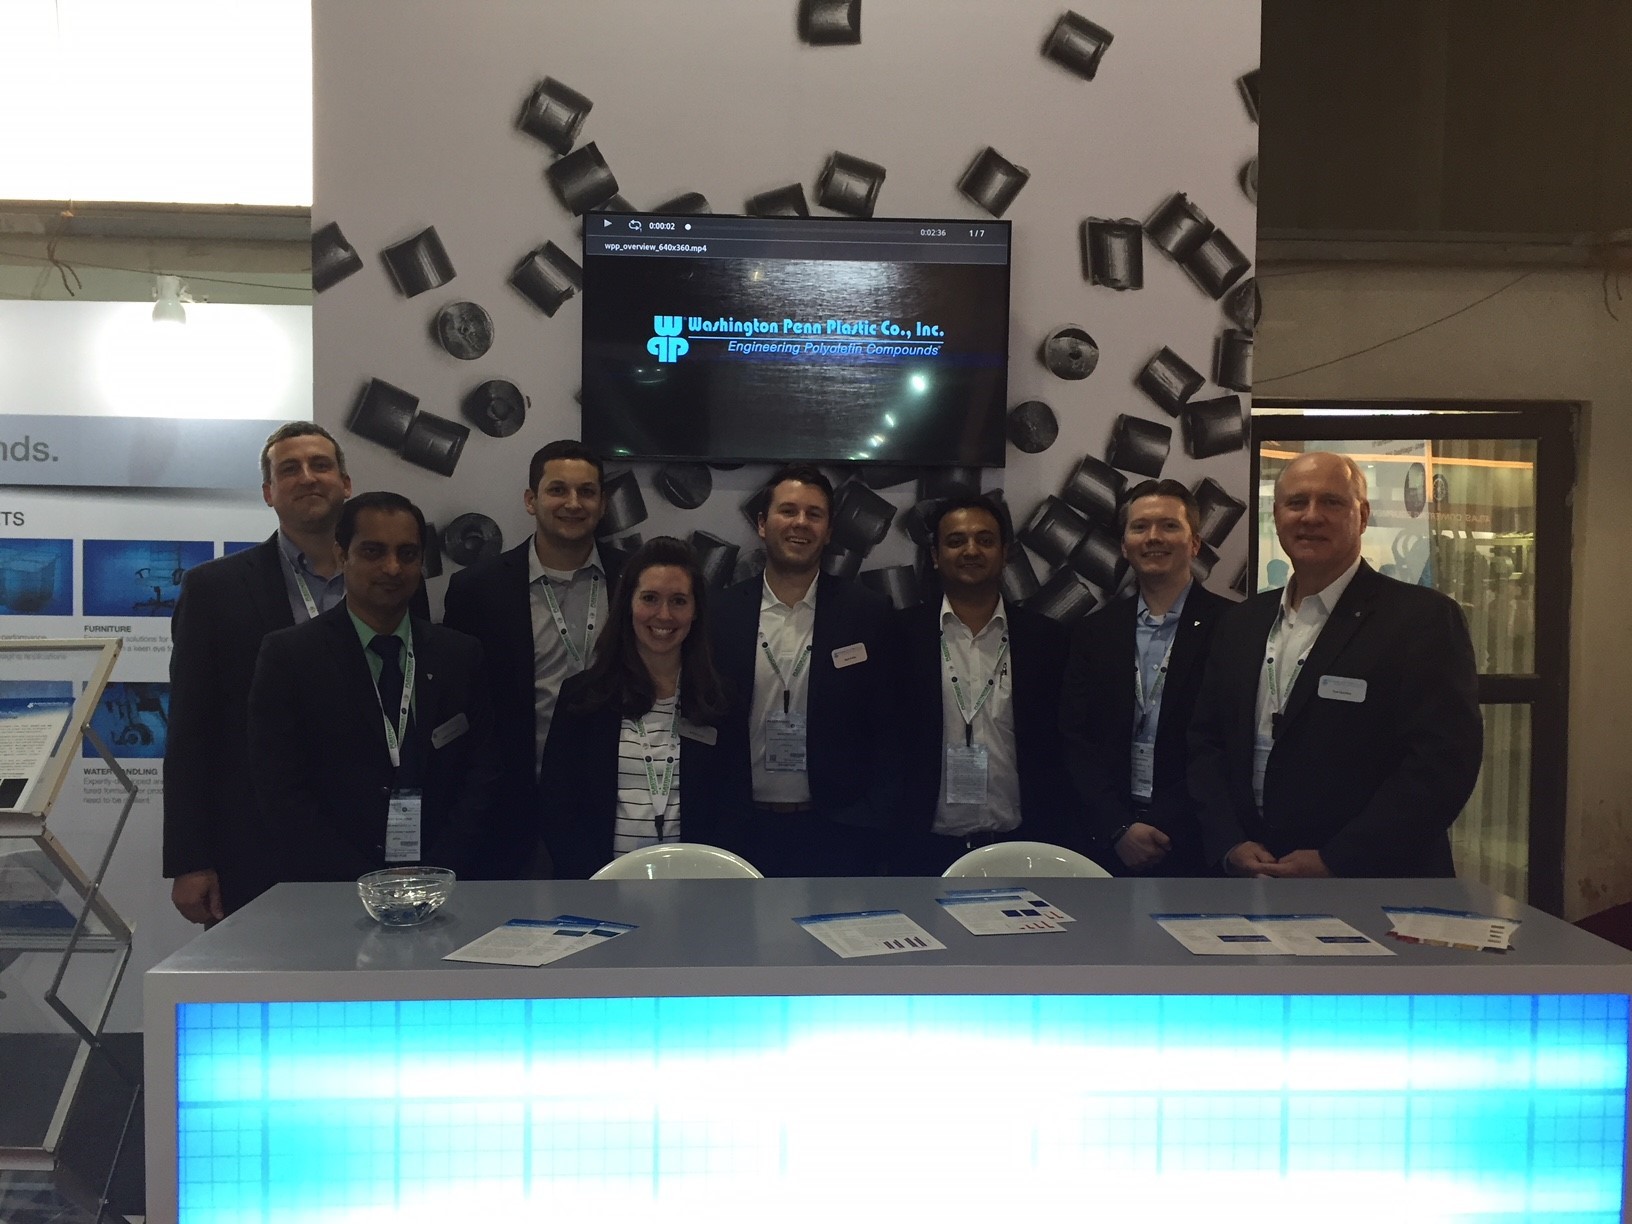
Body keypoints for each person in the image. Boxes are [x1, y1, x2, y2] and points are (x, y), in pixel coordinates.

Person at [1188, 451, 1483, 878]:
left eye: (1331, 502)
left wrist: (1338, 860)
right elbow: (1207, 742)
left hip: (1372, 880)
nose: (1311, 516)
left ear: (1362, 516)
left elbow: (1442, 764)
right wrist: (1229, 842)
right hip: (1254, 873)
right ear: (1277, 516)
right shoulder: (1242, 623)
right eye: (1297, 502)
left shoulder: (1422, 619)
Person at [247, 492, 500, 883]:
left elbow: (483, 772)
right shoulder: (291, 657)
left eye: (407, 554)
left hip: (446, 880)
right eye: (373, 552)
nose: (392, 567)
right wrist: (362, 880)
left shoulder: (459, 655)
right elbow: (281, 787)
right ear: (341, 555)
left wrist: (439, 868)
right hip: (332, 887)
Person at [164, 422, 354, 922]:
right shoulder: (214, 589)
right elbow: (190, 728)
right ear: (269, 493)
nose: (307, 477)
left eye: (320, 465)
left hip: (366, 840)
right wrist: (190, 859)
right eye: (289, 469)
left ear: (345, 483)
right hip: (253, 841)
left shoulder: (389, 580)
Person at [710, 464, 902, 876]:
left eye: (814, 514)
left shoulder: (867, 612)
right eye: (788, 511)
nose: (801, 522)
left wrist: (872, 816)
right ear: (762, 524)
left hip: (838, 832)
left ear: (828, 531)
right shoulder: (719, 613)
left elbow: (890, 726)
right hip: (740, 829)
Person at [442, 439, 608, 877]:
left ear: (603, 504)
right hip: (513, 800)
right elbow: (463, 705)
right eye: (558, 490)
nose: (573, 503)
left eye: (587, 492)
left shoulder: (635, 580)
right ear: (531, 500)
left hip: (612, 798)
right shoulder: (477, 590)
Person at [893, 494, 1077, 874]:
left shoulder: (1046, 639)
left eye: (985, 539)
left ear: (1005, 552)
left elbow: (1063, 745)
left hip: (1025, 846)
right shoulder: (899, 636)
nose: (971, 550)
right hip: (922, 849)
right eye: (956, 540)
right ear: (935, 555)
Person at [537, 537, 732, 878]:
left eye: (678, 601)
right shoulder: (582, 697)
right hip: (599, 888)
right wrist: (599, 885)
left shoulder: (720, 700)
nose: (664, 614)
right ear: (628, 604)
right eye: (650, 598)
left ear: (696, 611)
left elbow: (732, 810)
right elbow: (558, 808)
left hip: (697, 887)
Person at [1060, 480, 1228, 875]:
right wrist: (1119, 827)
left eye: (1169, 526)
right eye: (1140, 527)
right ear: (1124, 545)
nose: (1153, 537)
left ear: (1195, 543)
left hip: (1196, 839)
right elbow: (1075, 737)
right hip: (1108, 841)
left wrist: (1163, 824)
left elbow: (1226, 742)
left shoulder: (1233, 628)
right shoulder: (1093, 632)